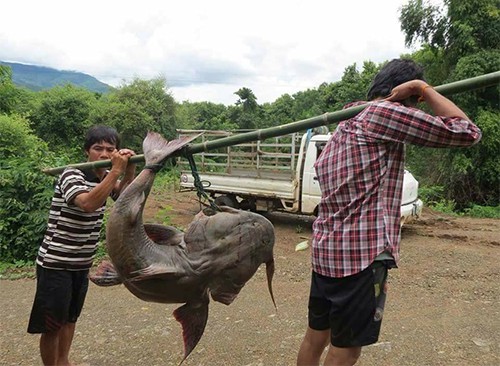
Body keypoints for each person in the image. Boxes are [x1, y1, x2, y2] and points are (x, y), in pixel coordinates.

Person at [296, 59, 482, 366]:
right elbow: (467, 132)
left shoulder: (348, 118)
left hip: (326, 252)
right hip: (360, 259)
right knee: (346, 349)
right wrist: (424, 88)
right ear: (408, 97)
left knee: (315, 337)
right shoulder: (385, 113)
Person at [27, 125, 137, 366]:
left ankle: (64, 361)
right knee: (52, 325)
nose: (105, 154)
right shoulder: (71, 174)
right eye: (98, 148)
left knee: (70, 319)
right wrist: (115, 172)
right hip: (56, 263)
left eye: (111, 149)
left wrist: (128, 172)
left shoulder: (102, 176)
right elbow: (88, 203)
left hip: (81, 264)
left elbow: (123, 199)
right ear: (87, 151)